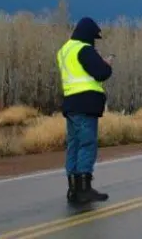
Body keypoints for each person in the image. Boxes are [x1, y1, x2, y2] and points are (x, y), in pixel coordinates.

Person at [57, 16, 113, 204]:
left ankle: (73, 187)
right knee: (87, 144)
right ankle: (84, 188)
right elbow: (101, 73)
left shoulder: (64, 50)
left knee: (73, 145)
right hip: (85, 104)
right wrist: (106, 64)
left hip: (70, 104)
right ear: (88, 34)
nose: (94, 41)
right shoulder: (84, 49)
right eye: (94, 37)